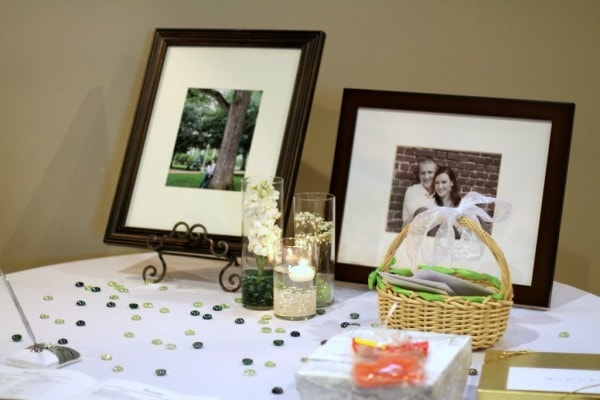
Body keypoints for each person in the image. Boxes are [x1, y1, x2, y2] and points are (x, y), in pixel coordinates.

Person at [402, 158, 437, 227]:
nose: (426, 177)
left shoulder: (440, 193)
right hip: (413, 233)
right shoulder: (412, 191)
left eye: (430, 172)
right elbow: (421, 216)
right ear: (419, 175)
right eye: (423, 173)